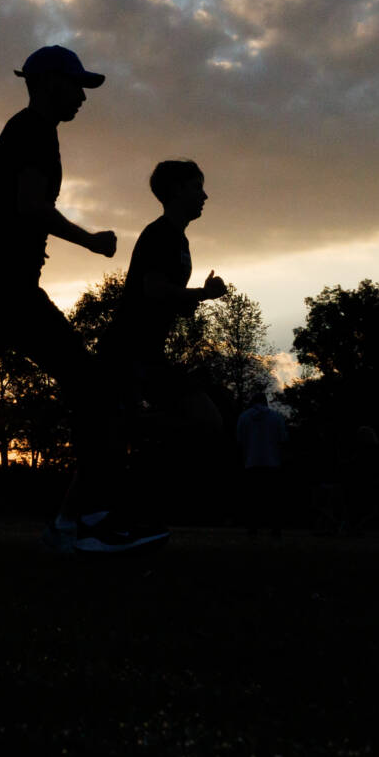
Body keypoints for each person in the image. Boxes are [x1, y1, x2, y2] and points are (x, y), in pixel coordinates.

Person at [0, 45, 152, 553]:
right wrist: (91, 242)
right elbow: (33, 207)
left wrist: (2, 239)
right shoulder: (34, 132)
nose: (82, 97)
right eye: (76, 86)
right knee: (95, 389)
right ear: (50, 82)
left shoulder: (22, 130)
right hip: (5, 288)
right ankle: (86, 523)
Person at [97, 159, 230, 519]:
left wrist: (198, 296)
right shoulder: (159, 235)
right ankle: (95, 518)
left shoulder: (179, 240)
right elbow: (153, 291)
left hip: (147, 352)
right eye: (197, 187)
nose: (205, 195)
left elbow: (170, 301)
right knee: (116, 443)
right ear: (176, 191)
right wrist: (202, 294)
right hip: (127, 350)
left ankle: (120, 503)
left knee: (206, 422)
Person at [233, 392, 289, 537]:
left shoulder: (244, 417)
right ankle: (275, 528)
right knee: (273, 498)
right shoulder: (276, 417)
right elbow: (283, 440)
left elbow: (240, 442)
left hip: (251, 462)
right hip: (273, 462)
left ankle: (252, 528)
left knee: (252, 498)